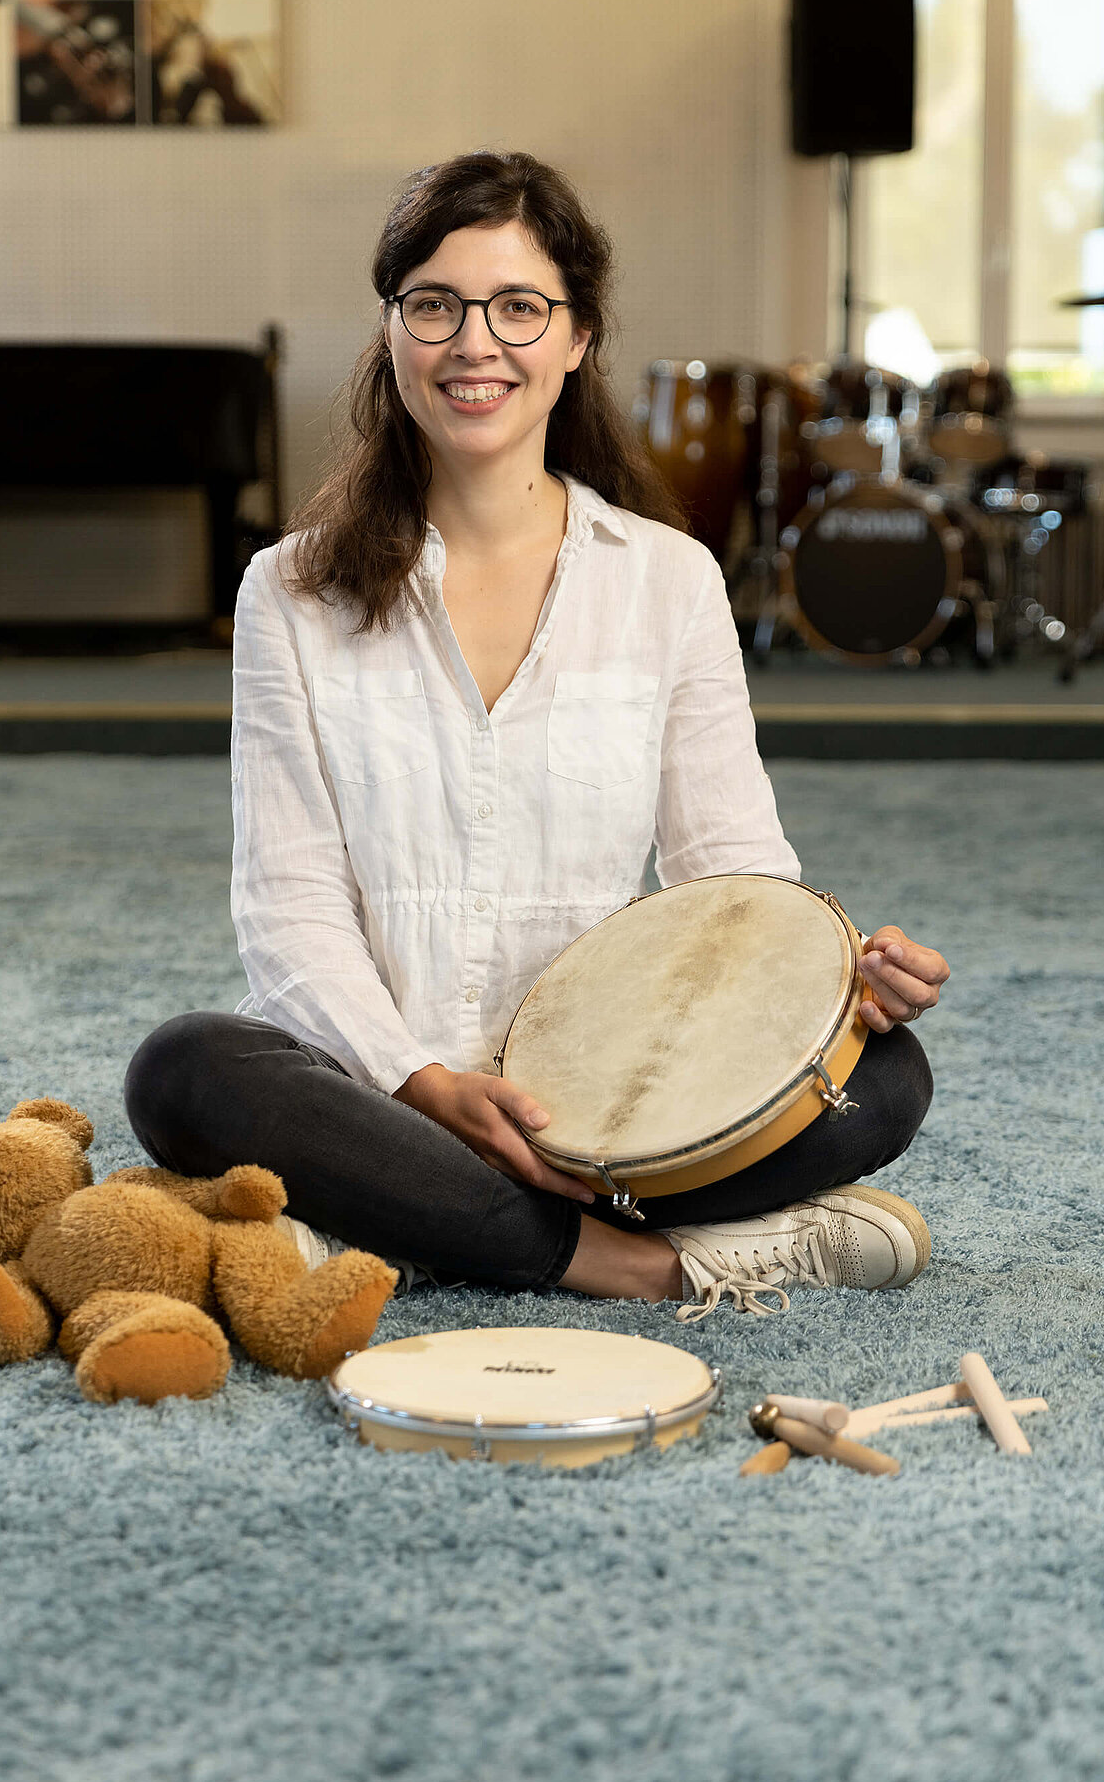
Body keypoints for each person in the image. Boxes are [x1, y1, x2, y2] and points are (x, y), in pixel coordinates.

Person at [124, 150, 950, 1321]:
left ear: (575, 340)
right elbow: (287, 906)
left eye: (519, 308)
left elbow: (731, 874)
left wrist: (826, 980)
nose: (475, 343)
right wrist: (429, 1086)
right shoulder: (289, 590)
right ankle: (644, 1262)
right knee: (186, 1070)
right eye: (435, 306)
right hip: (379, 1081)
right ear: (391, 331)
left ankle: (393, 1224)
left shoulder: (668, 579)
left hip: (608, 1105)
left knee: (887, 1081)